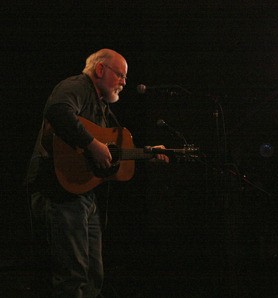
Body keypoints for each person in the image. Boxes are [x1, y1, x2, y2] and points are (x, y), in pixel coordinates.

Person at [26, 48, 169, 297]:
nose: (124, 83)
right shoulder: (78, 86)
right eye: (120, 75)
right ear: (100, 69)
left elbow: (115, 148)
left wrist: (148, 153)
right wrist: (92, 145)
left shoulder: (102, 108)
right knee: (73, 275)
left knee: (93, 274)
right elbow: (58, 111)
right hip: (60, 190)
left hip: (83, 193)